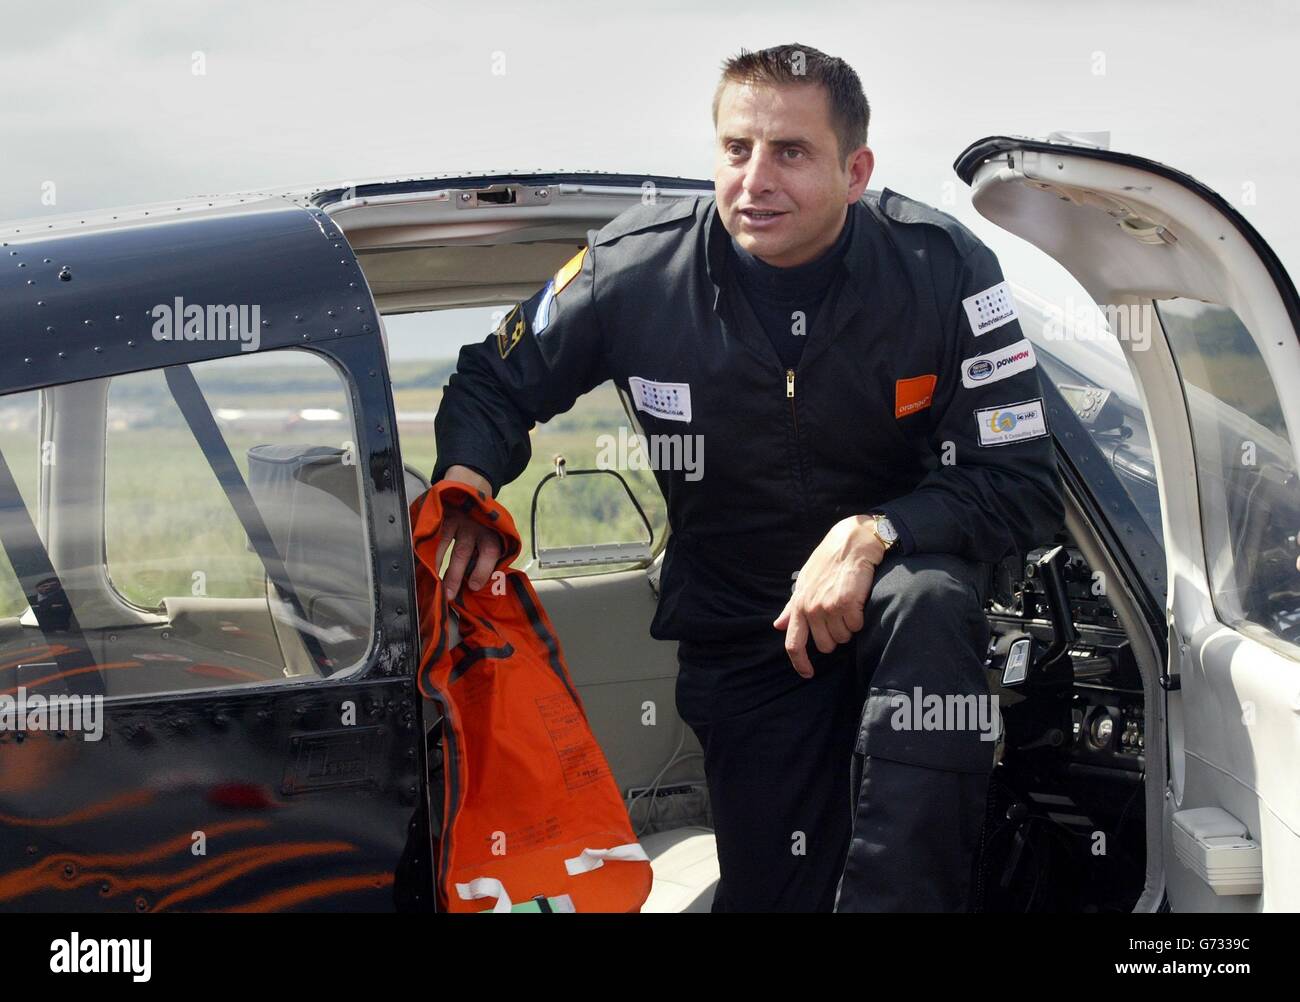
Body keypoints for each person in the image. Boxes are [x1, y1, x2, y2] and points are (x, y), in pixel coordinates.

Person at [430, 42, 1064, 912]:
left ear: (856, 170)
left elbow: (1022, 481)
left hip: (898, 618)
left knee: (927, 601)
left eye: (791, 153)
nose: (754, 179)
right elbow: (492, 378)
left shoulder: (941, 270)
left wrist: (875, 533)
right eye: (737, 149)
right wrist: (465, 492)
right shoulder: (635, 272)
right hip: (745, 635)